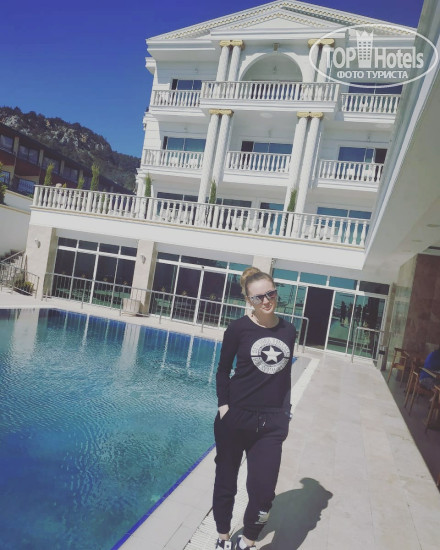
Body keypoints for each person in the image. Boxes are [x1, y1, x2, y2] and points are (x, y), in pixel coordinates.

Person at [213, 267, 297, 550]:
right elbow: (223, 370)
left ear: (276, 293)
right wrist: (224, 406)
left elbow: (284, 375)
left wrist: (285, 412)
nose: (266, 301)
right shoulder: (238, 329)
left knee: (263, 493)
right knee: (226, 481)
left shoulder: (288, 330)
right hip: (235, 417)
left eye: (270, 294)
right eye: (258, 297)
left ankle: (247, 541)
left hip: (271, 423)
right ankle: (223, 537)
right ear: (249, 300)